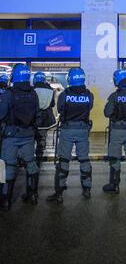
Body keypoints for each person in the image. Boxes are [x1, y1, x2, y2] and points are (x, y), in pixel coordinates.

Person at [47, 67, 93, 203]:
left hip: (67, 130)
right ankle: (87, 189)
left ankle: (59, 193)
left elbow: (60, 109)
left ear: (70, 79)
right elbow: (89, 107)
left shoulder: (64, 95)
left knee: (64, 160)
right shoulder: (89, 95)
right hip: (83, 130)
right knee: (84, 159)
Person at [0, 64, 40, 211]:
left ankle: (5, 200)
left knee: (8, 166)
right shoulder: (33, 93)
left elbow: (1, 114)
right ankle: (33, 195)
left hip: (11, 135)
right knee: (31, 163)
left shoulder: (8, 94)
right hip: (28, 135)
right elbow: (38, 114)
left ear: (14, 76)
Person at [103, 70, 126, 193]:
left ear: (117, 80)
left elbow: (107, 113)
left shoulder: (115, 96)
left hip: (117, 130)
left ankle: (114, 185)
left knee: (115, 157)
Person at [32, 71, 56, 167]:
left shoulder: (32, 90)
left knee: (31, 139)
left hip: (34, 119)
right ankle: (39, 159)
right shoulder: (50, 90)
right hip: (45, 119)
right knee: (42, 140)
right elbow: (52, 104)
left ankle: (29, 160)